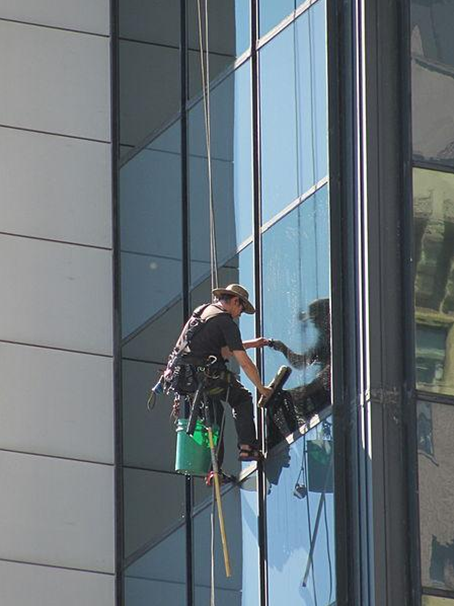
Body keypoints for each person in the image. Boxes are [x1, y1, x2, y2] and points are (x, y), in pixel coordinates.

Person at [182, 283, 272, 462]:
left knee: (214, 417)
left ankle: (214, 470)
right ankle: (247, 448)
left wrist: (253, 343)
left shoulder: (204, 312)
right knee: (241, 398)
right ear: (235, 301)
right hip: (206, 377)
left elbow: (222, 351)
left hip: (186, 377)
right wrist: (261, 388)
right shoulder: (225, 321)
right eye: (241, 309)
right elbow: (244, 363)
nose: (240, 315)